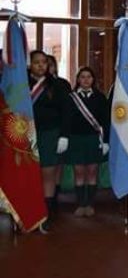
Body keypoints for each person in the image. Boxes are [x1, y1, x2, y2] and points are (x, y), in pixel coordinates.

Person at [29, 50, 69, 229]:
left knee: (48, 174)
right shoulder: (22, 84)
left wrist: (64, 135)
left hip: (51, 133)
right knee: (30, 174)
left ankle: (46, 214)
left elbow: (65, 112)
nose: (40, 65)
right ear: (30, 64)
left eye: (44, 62)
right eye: (36, 62)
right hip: (27, 134)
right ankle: (29, 212)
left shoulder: (56, 84)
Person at [65, 67, 109, 217]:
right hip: (76, 139)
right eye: (82, 77)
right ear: (78, 80)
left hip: (93, 139)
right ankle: (81, 203)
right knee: (79, 172)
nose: (85, 80)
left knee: (92, 172)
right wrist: (64, 137)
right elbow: (66, 120)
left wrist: (106, 141)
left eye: (88, 77)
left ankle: (90, 203)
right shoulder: (71, 98)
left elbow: (106, 121)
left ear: (93, 79)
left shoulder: (100, 97)